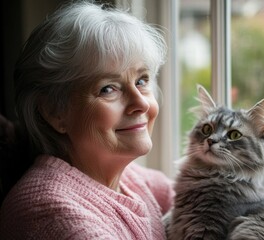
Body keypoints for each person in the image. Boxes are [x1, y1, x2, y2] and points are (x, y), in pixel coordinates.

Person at [0, 1, 174, 239]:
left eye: (142, 81)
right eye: (108, 88)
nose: (141, 103)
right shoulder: (48, 213)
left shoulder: (136, 181)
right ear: (54, 111)